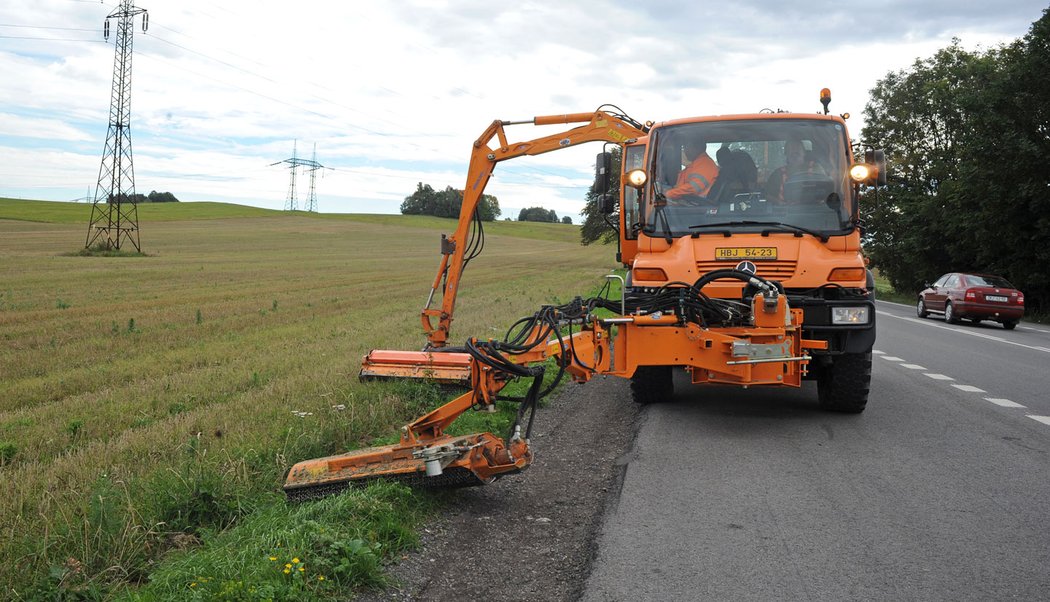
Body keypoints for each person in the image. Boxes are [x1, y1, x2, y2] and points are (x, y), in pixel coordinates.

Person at [764, 138, 825, 204]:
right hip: (785, 212)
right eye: (791, 149)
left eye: (797, 149)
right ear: (786, 154)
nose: (794, 152)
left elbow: (826, 190)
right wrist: (780, 203)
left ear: (804, 152)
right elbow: (768, 196)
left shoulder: (817, 169)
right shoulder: (777, 174)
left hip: (815, 211)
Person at [665, 135, 719, 203]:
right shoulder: (697, 163)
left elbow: (693, 187)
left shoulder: (705, 164)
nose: (684, 151)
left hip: (697, 206)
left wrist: (669, 194)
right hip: (691, 202)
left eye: (686, 147)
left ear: (696, 148)